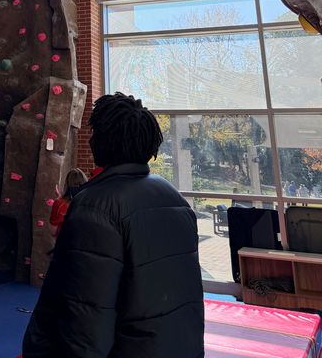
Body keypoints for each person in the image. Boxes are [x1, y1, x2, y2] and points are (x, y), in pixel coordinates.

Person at [23, 93, 204, 358]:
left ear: (101, 140)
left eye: (94, 132)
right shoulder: (174, 199)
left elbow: (85, 317)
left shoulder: (95, 208)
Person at [49, 168, 87, 237]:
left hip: (66, 245)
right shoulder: (92, 202)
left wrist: (59, 201)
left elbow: (53, 231)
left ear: (67, 184)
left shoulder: (60, 204)